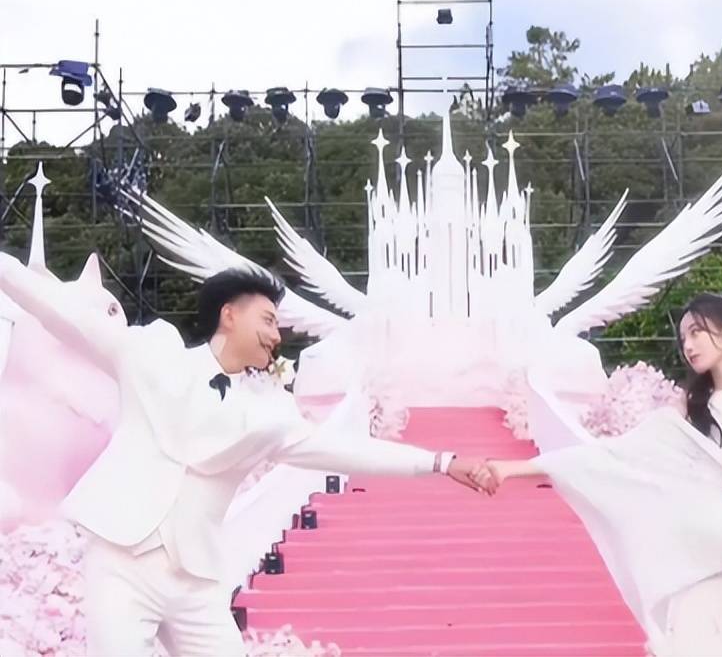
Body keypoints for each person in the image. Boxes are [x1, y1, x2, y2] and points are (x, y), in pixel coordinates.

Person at [0, 258, 494, 657]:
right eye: (268, 320)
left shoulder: (269, 415)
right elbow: (59, 310)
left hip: (193, 580)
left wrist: (440, 461)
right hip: (121, 559)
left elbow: (347, 450)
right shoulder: (153, 352)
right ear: (229, 315)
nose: (277, 336)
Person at [485, 292, 722, 657]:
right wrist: (513, 468)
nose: (688, 345)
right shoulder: (688, 411)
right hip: (716, 558)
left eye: (696, 332)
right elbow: (613, 457)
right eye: (683, 338)